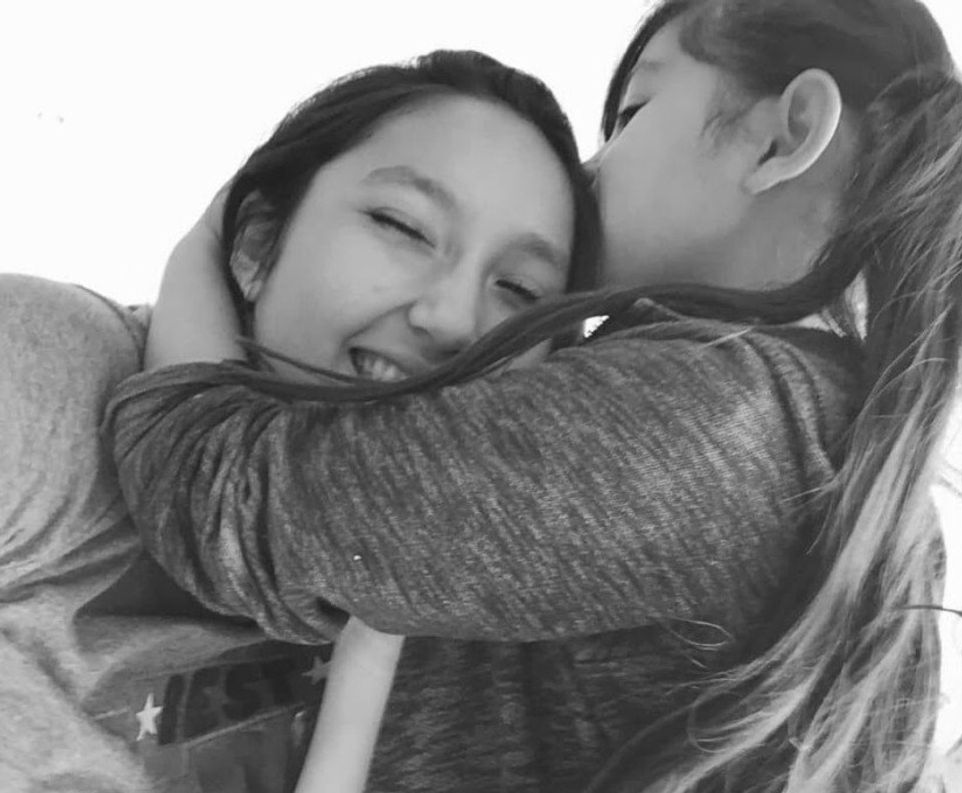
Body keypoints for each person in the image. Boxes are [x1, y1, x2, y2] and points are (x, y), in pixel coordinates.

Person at [106, 1, 962, 792]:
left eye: (633, 113)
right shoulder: (838, 452)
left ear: (782, 136)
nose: (591, 169)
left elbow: (223, 497)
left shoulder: (712, 423)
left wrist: (212, 236)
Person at [0, 49, 597, 793]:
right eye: (402, 226)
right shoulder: (55, 380)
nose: (452, 319)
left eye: (520, 288)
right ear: (255, 244)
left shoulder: (510, 608)